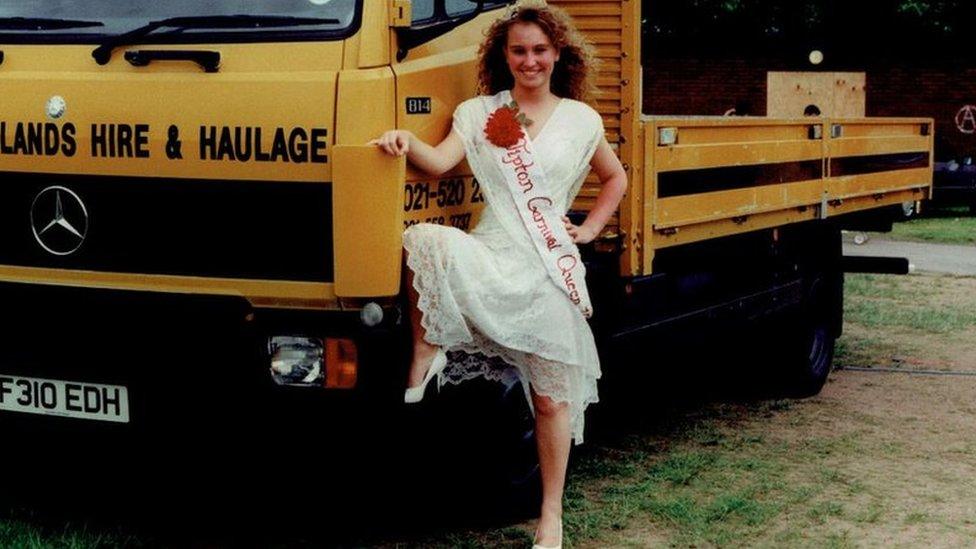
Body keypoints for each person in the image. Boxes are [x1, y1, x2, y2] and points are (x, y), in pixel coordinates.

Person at [371, 3, 627, 547]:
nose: (529, 60)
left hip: (546, 265)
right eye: (518, 50)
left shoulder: (581, 119)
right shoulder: (478, 111)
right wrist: (403, 140)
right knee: (425, 240)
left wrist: (588, 230)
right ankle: (428, 346)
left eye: (539, 49)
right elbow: (438, 162)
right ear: (503, 55)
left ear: (558, 53)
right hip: (493, 252)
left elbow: (616, 178)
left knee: (551, 397)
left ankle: (550, 514)